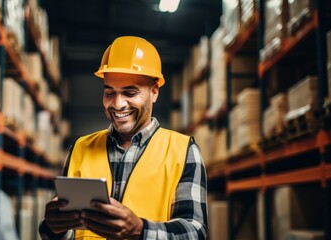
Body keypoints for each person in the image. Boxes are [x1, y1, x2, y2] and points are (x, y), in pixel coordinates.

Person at [39, 36, 208, 240]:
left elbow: (195, 232)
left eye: (130, 93)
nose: (118, 104)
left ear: (154, 92)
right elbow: (67, 234)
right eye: (109, 93)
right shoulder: (80, 148)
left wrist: (140, 230)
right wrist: (54, 228)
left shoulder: (183, 151)